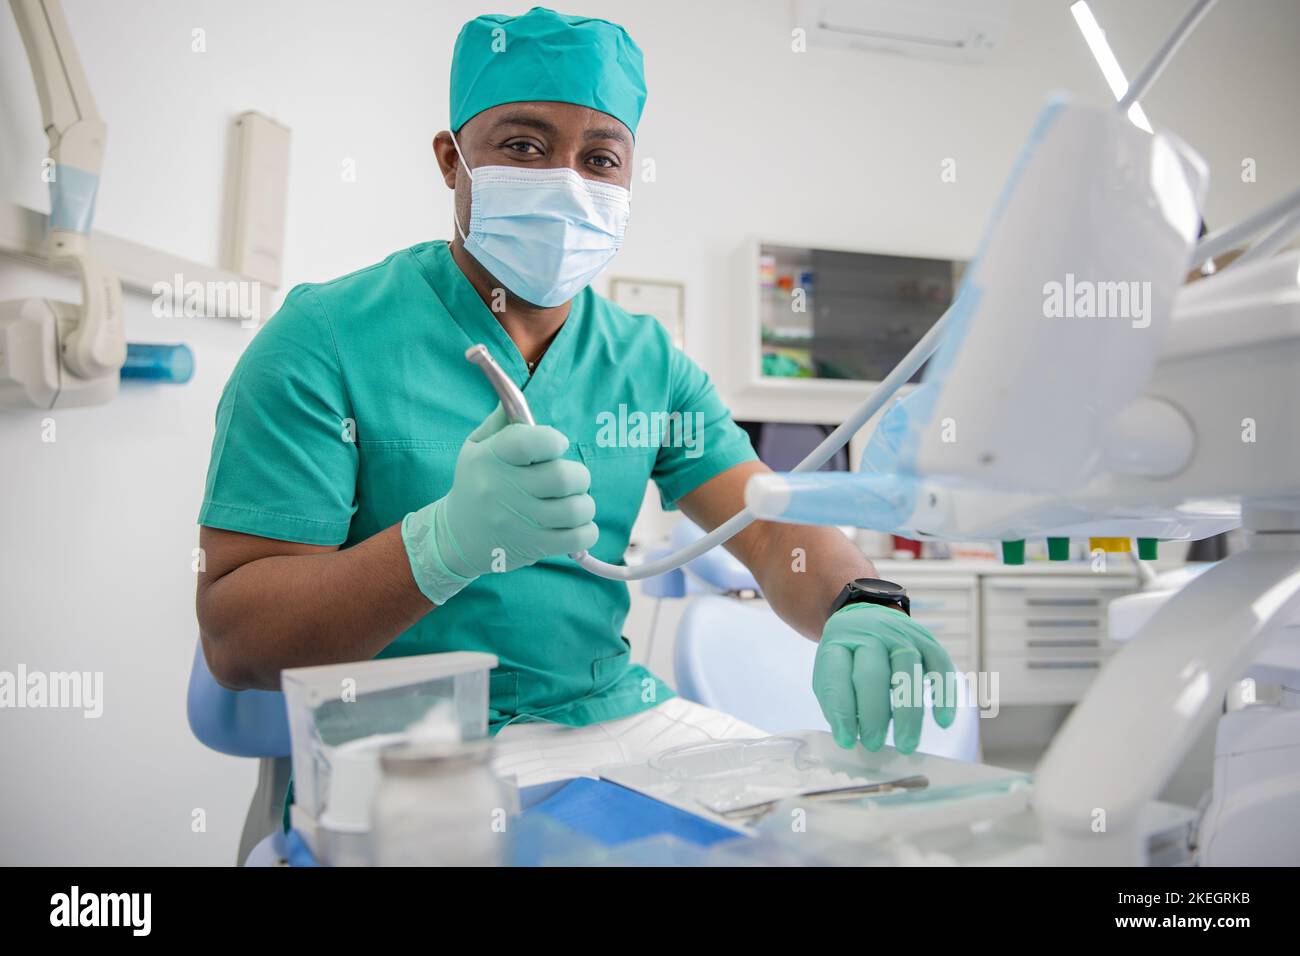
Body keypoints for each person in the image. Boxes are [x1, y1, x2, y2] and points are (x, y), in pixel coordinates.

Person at [195, 7, 955, 774]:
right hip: (405, 741)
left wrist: (861, 601)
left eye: (599, 159)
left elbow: (763, 528)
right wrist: (443, 543)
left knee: (819, 825)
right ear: (451, 160)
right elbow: (237, 642)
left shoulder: (646, 361)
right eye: (524, 146)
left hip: (609, 715)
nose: (564, 180)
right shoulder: (325, 337)